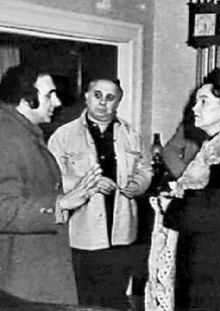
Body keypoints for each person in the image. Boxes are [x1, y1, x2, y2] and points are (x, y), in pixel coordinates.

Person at [0, 64, 101, 305]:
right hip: (23, 283)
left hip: (32, 276)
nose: (56, 102)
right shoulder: (6, 135)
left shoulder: (22, 132)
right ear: (26, 99)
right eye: (49, 95)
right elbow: (3, 209)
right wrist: (60, 204)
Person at [48, 78, 152, 310]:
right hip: (81, 237)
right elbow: (52, 177)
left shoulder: (131, 135)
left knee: (114, 300)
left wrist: (138, 184)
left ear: (118, 102)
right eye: (97, 95)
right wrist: (88, 184)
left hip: (121, 236)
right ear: (86, 96)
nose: (103, 103)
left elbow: (146, 169)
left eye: (110, 97)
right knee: (83, 302)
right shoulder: (63, 135)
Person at [163, 67, 220, 311]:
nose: (194, 109)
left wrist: (179, 202)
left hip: (218, 284)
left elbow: (185, 216)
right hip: (202, 276)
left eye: (204, 102)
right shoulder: (209, 155)